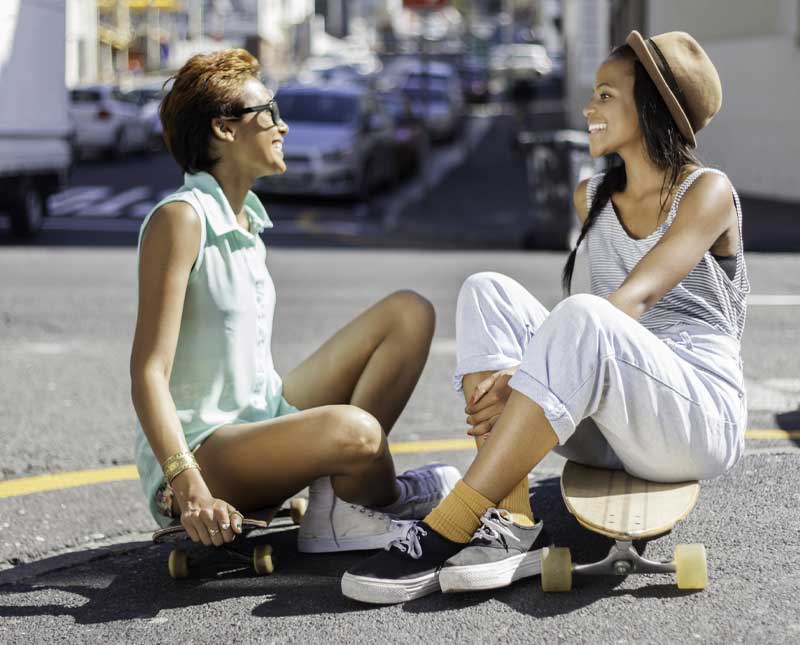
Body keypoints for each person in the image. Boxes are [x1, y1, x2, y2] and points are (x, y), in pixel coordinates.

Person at [342, 30, 750, 603]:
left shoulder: (707, 191)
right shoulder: (591, 197)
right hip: (611, 421)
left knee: (584, 315)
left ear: (651, 109)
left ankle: (448, 526)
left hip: (692, 418)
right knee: (487, 290)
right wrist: (530, 375)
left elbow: (634, 300)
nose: (588, 108)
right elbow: (586, 332)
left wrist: (523, 376)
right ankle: (510, 524)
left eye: (605, 95)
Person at [129, 49, 460, 553]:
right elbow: (149, 372)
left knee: (409, 313)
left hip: (262, 422)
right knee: (358, 432)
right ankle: (384, 498)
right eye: (270, 113)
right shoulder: (181, 219)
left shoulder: (246, 221)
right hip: (206, 454)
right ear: (224, 128)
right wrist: (189, 487)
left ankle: (344, 506)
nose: (283, 126)